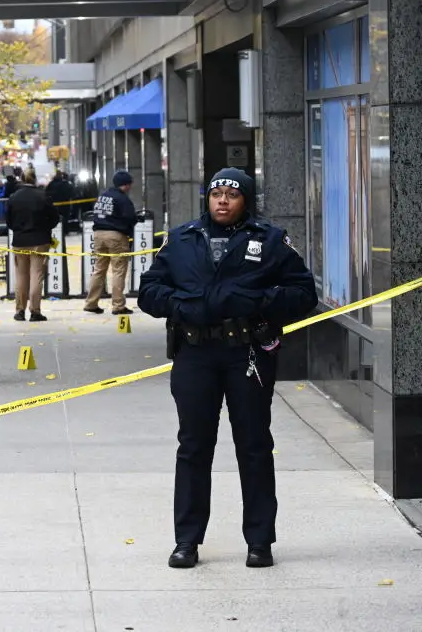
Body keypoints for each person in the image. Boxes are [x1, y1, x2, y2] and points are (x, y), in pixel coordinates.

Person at [137, 168, 317, 570]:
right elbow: (148, 291)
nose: (222, 200)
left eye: (231, 195)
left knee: (253, 447)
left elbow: (305, 293)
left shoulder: (269, 240)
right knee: (193, 448)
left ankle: (259, 541)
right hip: (195, 354)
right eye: (216, 193)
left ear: (245, 200)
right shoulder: (182, 239)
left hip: (247, 353)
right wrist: (179, 305)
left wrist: (259, 300)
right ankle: (186, 541)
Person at [5, 170, 59, 322]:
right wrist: (45, 228)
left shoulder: (14, 197)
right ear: (35, 179)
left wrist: (18, 229)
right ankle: (35, 311)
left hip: (19, 241)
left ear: (21, 179)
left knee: (21, 276)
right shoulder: (43, 196)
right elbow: (55, 218)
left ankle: (19, 310)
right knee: (37, 275)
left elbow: (8, 221)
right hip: (40, 241)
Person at [84, 170, 138, 315]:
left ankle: (91, 303)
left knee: (99, 270)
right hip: (116, 235)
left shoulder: (102, 196)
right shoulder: (122, 199)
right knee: (118, 270)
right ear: (125, 185)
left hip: (98, 234)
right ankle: (118, 305)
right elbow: (130, 217)